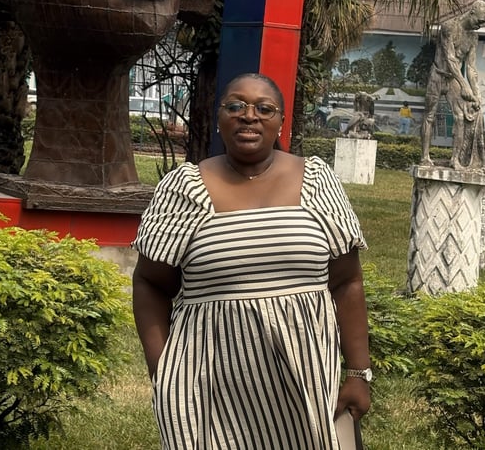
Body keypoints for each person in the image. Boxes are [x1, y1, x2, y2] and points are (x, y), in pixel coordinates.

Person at [132, 73, 371, 449]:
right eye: (235, 106)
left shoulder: (317, 181)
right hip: (207, 390)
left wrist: (358, 372)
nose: (249, 115)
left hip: (304, 384)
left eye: (264, 108)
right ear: (219, 118)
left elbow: (347, 282)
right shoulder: (185, 189)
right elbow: (150, 282)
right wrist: (162, 371)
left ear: (281, 122)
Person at [420, 0, 485, 170]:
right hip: (438, 75)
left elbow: (471, 68)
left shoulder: (473, 37)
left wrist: (477, 93)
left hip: (453, 79)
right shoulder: (449, 27)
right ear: (472, 12)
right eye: (479, 21)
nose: (479, 26)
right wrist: (464, 85)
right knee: (430, 116)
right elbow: (450, 58)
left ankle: (455, 159)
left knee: (460, 117)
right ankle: (425, 157)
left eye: (482, 24)